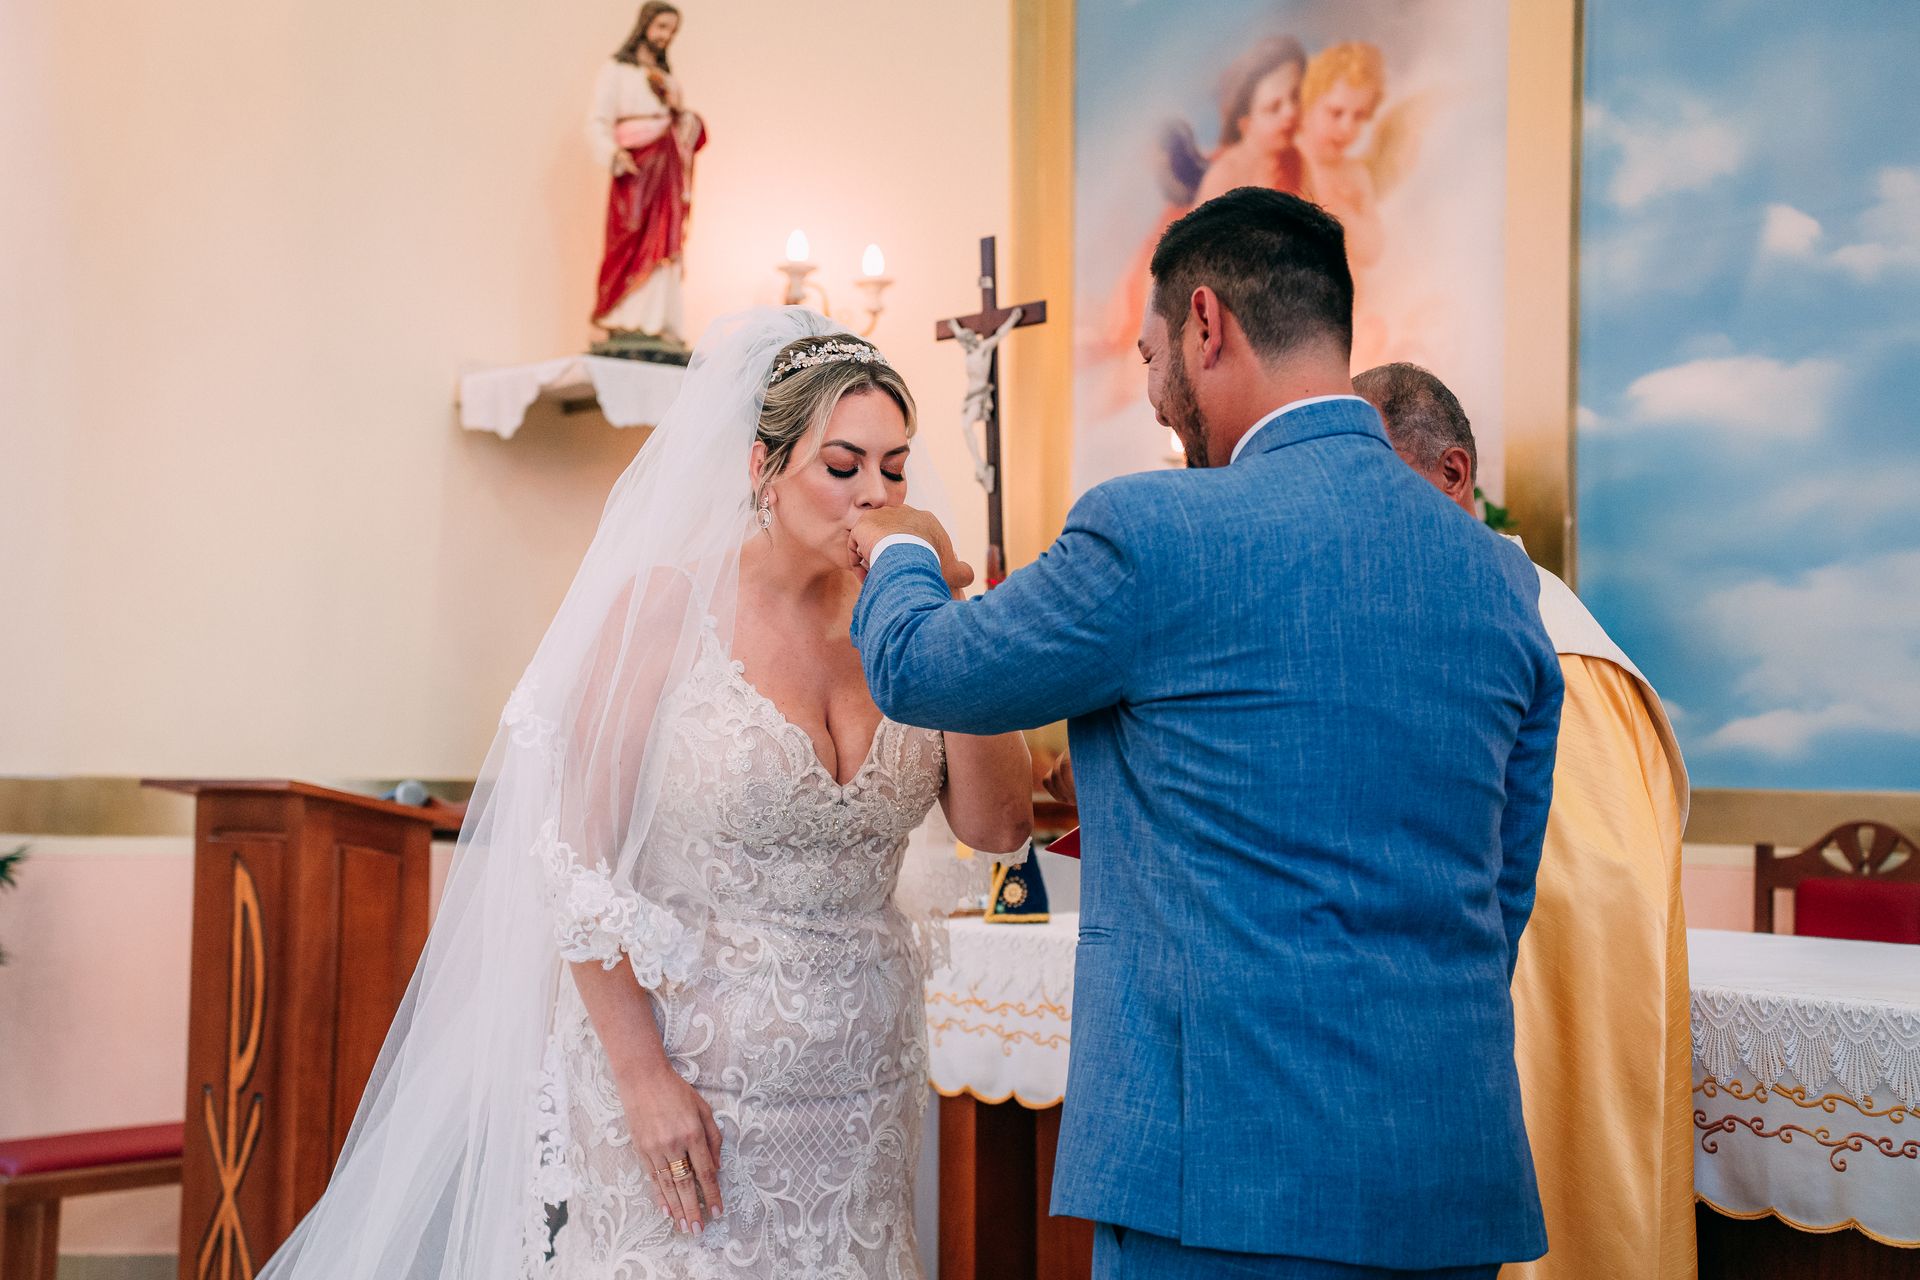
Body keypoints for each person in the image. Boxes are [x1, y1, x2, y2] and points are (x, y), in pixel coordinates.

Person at [847, 187, 1561, 1279]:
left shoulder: (1158, 530)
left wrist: (901, 544)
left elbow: (919, 666)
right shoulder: (1502, 577)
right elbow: (1498, 893)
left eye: (1148, 357)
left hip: (1221, 1187)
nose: (1152, 391)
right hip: (1444, 1183)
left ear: (1207, 323)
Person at [257, 308, 1032, 1280]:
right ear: (763, 468)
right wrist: (642, 1077)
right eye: (843, 467)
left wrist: (953, 619)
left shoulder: (912, 621)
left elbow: (998, 824)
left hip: (859, 1097)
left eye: (895, 467)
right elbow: (575, 862)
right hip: (686, 1087)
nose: (875, 498)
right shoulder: (666, 610)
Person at [1355, 362, 1695, 1280]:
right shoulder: (1432, 622)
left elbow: (1587, 895)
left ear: (1453, 476)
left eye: (1372, 485)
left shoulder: (1558, 651)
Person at [588, 2, 708, 343]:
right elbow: (598, 120)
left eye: (671, 30)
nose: (665, 36)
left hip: (666, 170)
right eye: (660, 27)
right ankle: (623, 316)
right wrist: (613, 153)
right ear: (644, 26)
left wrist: (686, 118)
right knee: (630, 234)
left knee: (664, 242)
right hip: (636, 167)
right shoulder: (617, 71)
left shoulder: (669, 79)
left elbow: (680, 122)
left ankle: (658, 322)